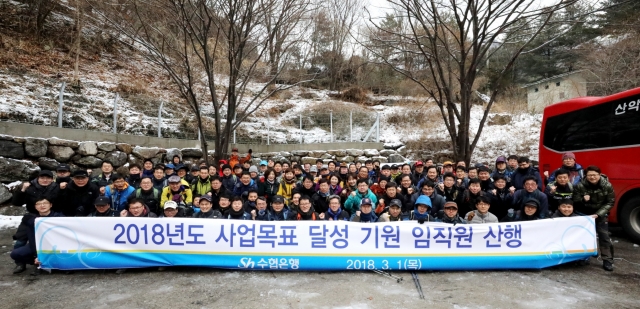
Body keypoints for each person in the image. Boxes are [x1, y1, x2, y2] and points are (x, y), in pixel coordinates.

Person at [573, 165, 615, 271]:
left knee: (604, 236)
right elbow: (575, 200)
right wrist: (582, 199)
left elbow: (610, 202)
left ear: (599, 175)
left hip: (600, 213)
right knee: (583, 236)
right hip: (584, 214)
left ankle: (607, 260)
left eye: (594, 175)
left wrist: (599, 214)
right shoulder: (580, 186)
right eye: (589, 175)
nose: (592, 177)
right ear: (586, 176)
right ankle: (583, 257)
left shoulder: (607, 185)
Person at [11, 197, 63, 275]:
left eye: (45, 203)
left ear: (51, 205)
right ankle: (38, 262)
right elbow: (32, 239)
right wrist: (37, 255)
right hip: (38, 245)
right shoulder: (32, 220)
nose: (42, 206)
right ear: (35, 207)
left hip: (56, 245)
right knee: (15, 254)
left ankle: (53, 264)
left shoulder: (60, 218)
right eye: (39, 204)